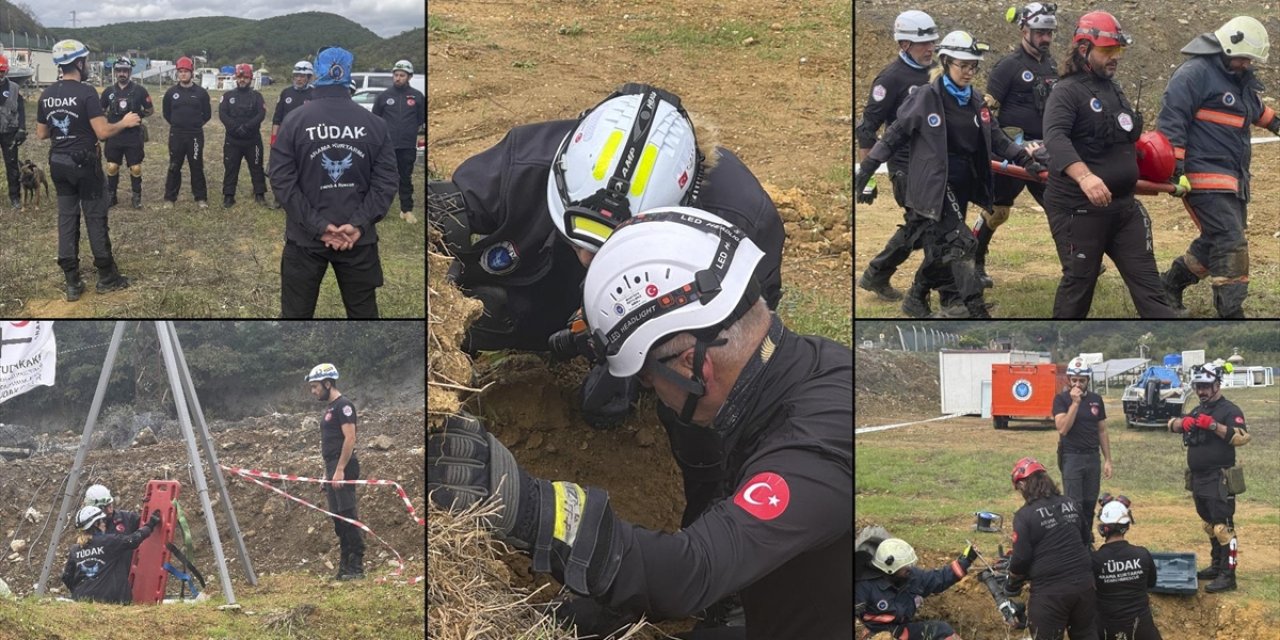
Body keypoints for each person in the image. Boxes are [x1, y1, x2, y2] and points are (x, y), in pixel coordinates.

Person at [428, 209, 852, 640]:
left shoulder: (813, 453)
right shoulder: (799, 372)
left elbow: (693, 570)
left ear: (693, 368)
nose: (648, 391)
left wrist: (535, 511)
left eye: (646, 379)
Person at [429, 82, 784, 431]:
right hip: (541, 295)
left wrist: (647, 359)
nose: (587, 259)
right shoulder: (530, 161)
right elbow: (437, 218)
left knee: (689, 392)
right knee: (482, 306)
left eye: (608, 250)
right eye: (578, 239)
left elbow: (741, 346)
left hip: (656, 307)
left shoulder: (739, 227)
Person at [855, 31, 1045, 318]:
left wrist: (1023, 159)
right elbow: (893, 137)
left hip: (962, 184)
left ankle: (917, 297)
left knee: (940, 244)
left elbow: (997, 139)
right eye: (963, 65)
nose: (969, 72)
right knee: (962, 242)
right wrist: (867, 169)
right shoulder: (926, 98)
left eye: (973, 66)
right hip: (933, 185)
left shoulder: (975, 100)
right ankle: (973, 309)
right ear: (946, 63)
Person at [1042, 11, 1175, 318]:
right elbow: (1056, 137)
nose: (1115, 57)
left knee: (1150, 289)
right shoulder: (1066, 92)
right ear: (1084, 49)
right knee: (1079, 285)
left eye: (1118, 50)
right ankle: (1057, 345)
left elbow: (1124, 140)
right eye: (1107, 50)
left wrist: (1162, 167)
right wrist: (1085, 176)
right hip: (1080, 211)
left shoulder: (1113, 88)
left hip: (1123, 210)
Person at [1158, 16, 1277, 318]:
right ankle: (1231, 313)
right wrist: (1175, 167)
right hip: (1202, 178)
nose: (1248, 64)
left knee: (1214, 241)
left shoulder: (1238, 81)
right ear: (1228, 46)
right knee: (1230, 241)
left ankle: (1168, 286)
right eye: (1244, 58)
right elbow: (1173, 120)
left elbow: (1258, 112)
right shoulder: (1194, 74)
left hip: (1233, 180)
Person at [268, 46, 398, 319]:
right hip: (357, 239)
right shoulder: (374, 124)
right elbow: (386, 182)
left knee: (295, 317)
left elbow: (281, 180)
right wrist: (358, 224)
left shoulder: (294, 121)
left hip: (306, 240)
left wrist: (319, 227)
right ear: (347, 74)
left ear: (317, 73)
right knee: (364, 316)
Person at [36, 39, 140, 302]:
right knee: (95, 217)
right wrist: (125, 122)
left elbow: (41, 133)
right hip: (85, 164)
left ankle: (72, 281)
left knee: (67, 219)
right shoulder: (86, 93)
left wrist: (65, 131)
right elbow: (103, 132)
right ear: (79, 63)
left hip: (58, 163)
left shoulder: (46, 95)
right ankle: (106, 276)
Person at [855, 9, 938, 307]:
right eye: (922, 43)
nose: (930, 48)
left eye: (932, 42)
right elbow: (867, 129)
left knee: (923, 225)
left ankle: (879, 274)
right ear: (903, 44)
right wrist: (866, 180)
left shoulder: (937, 71)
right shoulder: (890, 79)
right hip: (904, 166)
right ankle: (929, 286)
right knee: (924, 225)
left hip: (934, 164)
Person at [976, 2, 1060, 288]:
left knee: (1057, 204)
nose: (1045, 38)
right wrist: (1004, 146)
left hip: (1044, 152)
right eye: (1040, 32)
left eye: (1049, 32)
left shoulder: (1051, 65)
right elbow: (987, 113)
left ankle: (1075, 261)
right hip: (1011, 153)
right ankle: (974, 260)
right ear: (1024, 29)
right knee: (997, 212)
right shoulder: (1007, 67)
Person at [1165, 363, 1250, 593]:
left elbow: (1243, 437)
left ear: (1217, 385)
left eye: (1206, 386)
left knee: (1224, 527)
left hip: (1219, 478)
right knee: (1209, 525)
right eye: (1198, 386)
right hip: (1199, 478)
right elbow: (1170, 424)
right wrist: (1182, 423)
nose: (1201, 391)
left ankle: (1228, 575)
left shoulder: (1229, 410)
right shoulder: (1197, 409)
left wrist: (1214, 426)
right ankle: (1215, 566)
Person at [1005, 456, 1096, 639]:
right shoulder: (1071, 503)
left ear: (1023, 485)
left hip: (1050, 594)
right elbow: (1086, 539)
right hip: (1085, 588)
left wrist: (1012, 581)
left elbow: (1021, 560)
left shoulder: (1024, 516)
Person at [305, 363, 365, 580]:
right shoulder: (329, 409)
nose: (313, 391)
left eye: (315, 387)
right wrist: (327, 474)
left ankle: (357, 566)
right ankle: (344, 566)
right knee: (338, 518)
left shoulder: (344, 406)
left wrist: (340, 470)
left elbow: (350, 438)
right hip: (332, 467)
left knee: (348, 516)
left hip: (344, 466)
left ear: (328, 383)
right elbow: (330, 446)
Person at [856, 538, 978, 639]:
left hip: (902, 632)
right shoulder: (864, 586)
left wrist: (966, 560)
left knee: (943, 630)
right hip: (877, 635)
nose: (909, 568)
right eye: (904, 566)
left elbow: (939, 579)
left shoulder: (911, 577)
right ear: (890, 569)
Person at [1052, 357, 1112, 544]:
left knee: (1089, 502)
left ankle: (1086, 539)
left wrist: (1108, 460)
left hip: (1092, 457)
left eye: (1082, 380)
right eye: (1074, 380)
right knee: (1073, 504)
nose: (1077, 384)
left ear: (1088, 380)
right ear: (1069, 379)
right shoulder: (1061, 400)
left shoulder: (1096, 400)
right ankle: (1073, 541)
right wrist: (1075, 404)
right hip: (1072, 457)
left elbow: (1101, 430)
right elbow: (1063, 428)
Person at [1092, 495, 1162, 640]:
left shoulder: (1095, 560)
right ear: (1127, 526)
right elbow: (1151, 583)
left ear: (1103, 528)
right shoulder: (1142, 554)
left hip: (1106, 631)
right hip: (1143, 631)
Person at [61, 505, 161, 603]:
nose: (105, 523)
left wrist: (79, 593)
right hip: (110, 601)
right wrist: (150, 525)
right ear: (96, 524)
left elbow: (67, 577)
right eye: (102, 521)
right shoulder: (108, 542)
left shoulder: (75, 549)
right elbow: (133, 540)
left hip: (82, 600)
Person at [372, 59, 424, 224]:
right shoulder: (384, 96)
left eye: (402, 75)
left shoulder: (417, 96)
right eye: (396, 75)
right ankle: (379, 210)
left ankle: (406, 210)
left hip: (407, 145)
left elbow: (421, 119)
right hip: (387, 146)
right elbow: (376, 120)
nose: (398, 78)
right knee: (383, 178)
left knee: (405, 178)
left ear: (409, 77)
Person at [100, 56, 154, 210]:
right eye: (119, 71)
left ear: (130, 72)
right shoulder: (108, 91)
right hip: (114, 135)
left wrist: (138, 117)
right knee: (112, 166)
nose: (122, 73)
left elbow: (150, 110)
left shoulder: (140, 91)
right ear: (115, 72)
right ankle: (112, 196)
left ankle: (136, 197)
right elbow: (100, 110)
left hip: (133, 136)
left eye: (125, 70)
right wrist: (109, 121)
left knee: (135, 167)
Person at [162, 56, 212, 208]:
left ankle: (200, 198)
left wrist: (194, 125)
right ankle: (170, 198)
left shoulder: (201, 93)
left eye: (186, 71)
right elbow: (167, 113)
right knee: (174, 166)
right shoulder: (171, 93)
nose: (183, 74)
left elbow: (207, 114)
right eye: (180, 71)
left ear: (192, 73)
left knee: (196, 166)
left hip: (195, 136)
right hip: (176, 134)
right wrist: (179, 124)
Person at [218, 63, 268, 209]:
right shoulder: (227, 96)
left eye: (245, 77)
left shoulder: (257, 96)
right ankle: (228, 195)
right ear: (236, 78)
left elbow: (261, 114)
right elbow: (222, 113)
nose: (242, 80)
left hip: (253, 139)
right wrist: (234, 127)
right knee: (231, 167)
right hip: (233, 139)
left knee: (257, 167)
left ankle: (259, 194)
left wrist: (247, 127)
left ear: (250, 78)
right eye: (239, 77)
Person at [267, 60, 315, 209]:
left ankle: (303, 200)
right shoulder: (286, 93)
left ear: (309, 77)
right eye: (296, 75)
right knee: (283, 169)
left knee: (305, 170)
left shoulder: (314, 94)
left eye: (302, 76)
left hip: (306, 139)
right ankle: (279, 199)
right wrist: (274, 139)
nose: (299, 79)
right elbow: (277, 118)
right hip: (285, 138)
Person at [0, 54, 27, 209]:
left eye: (2, 71)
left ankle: (15, 197)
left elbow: (22, 110)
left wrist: (22, 129)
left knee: (12, 165)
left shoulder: (14, 89)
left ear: (6, 71)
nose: (0, 74)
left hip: (10, 132)